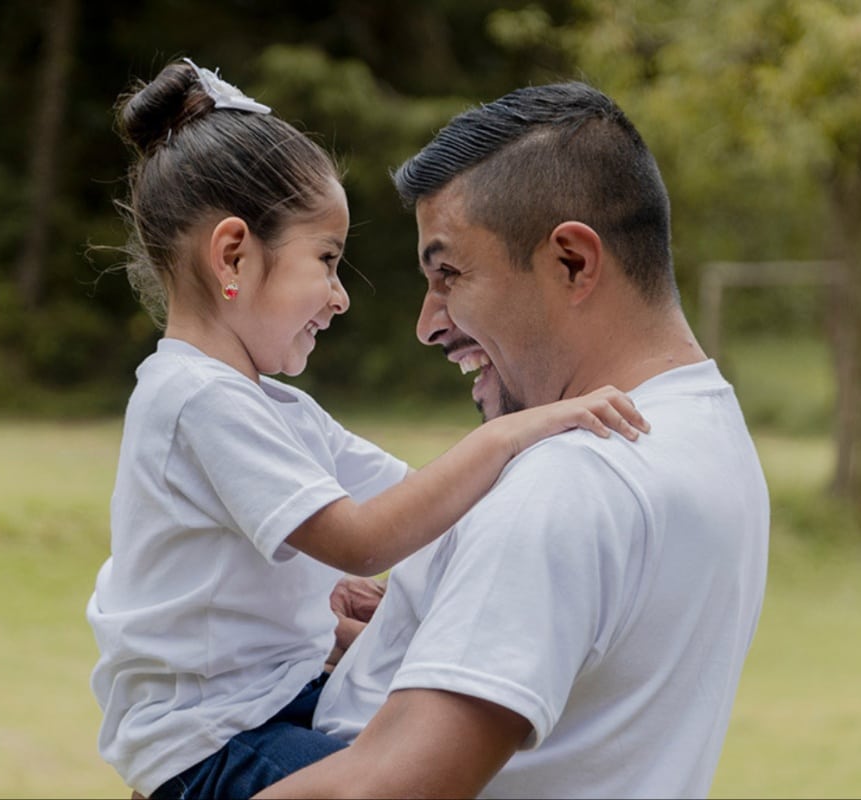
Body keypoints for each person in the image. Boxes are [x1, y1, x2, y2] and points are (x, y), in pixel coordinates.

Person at [85, 62, 652, 800]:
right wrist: (516, 431)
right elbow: (362, 537)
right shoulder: (194, 399)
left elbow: (417, 501)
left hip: (276, 709)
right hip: (212, 744)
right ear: (232, 255)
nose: (340, 297)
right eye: (325, 260)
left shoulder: (272, 409)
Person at [255, 81, 771, 799]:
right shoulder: (709, 434)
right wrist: (426, 633)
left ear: (572, 262)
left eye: (450, 274)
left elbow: (380, 790)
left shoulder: (570, 480)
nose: (429, 324)